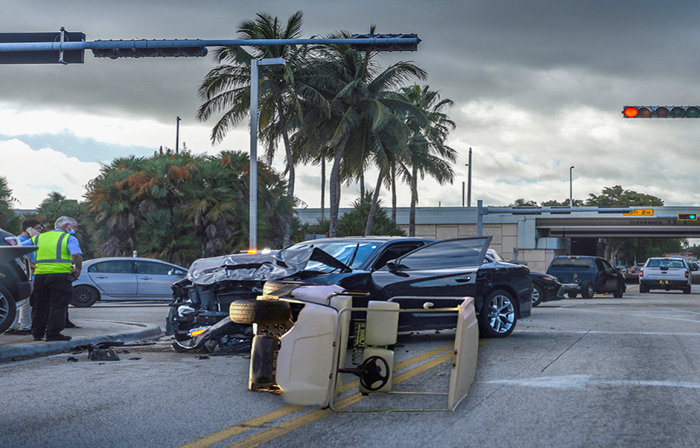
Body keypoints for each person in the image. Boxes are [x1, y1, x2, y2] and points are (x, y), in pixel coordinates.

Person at [22, 216, 83, 342]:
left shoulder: (39, 237)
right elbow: (76, 255)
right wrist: (78, 268)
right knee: (58, 305)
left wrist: (31, 263)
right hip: (60, 276)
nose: (75, 229)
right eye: (74, 226)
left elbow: (20, 249)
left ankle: (37, 333)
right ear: (67, 226)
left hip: (40, 276)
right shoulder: (68, 238)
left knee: (39, 305)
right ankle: (53, 333)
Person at [4, 218, 41, 335]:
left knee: (27, 304)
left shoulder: (31, 241)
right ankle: (11, 327)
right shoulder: (19, 241)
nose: (39, 231)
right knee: (18, 303)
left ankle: (25, 326)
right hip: (22, 277)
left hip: (30, 277)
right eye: (37, 229)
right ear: (28, 229)